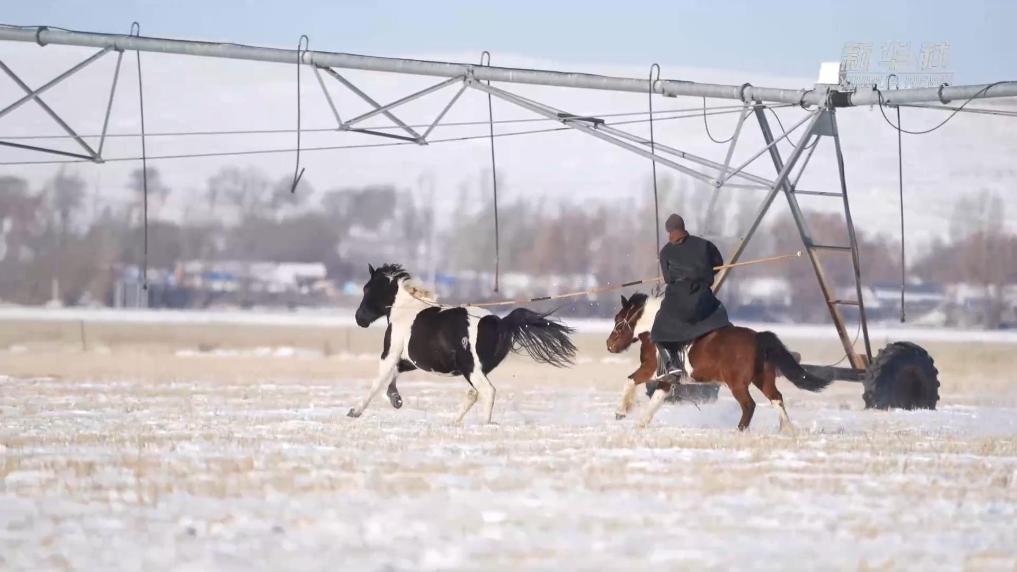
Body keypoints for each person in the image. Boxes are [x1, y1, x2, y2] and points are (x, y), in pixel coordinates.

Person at [649, 213, 731, 384]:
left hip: (678, 301)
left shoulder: (665, 251)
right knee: (721, 316)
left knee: (657, 331)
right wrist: (703, 273)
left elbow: (668, 279)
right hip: (703, 298)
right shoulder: (705, 245)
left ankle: (672, 365)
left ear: (669, 231)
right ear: (683, 226)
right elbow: (718, 264)